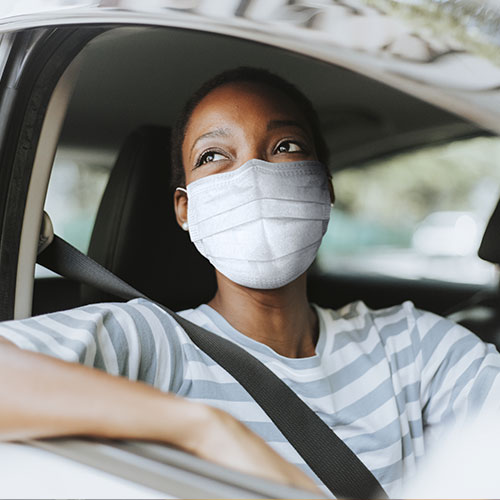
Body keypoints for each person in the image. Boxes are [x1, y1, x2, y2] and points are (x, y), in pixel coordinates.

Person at [0, 67, 499, 497]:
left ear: (323, 187)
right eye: (214, 156)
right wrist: (205, 429)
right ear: (185, 210)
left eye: (285, 146)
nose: (254, 173)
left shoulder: (413, 346)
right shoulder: (155, 339)